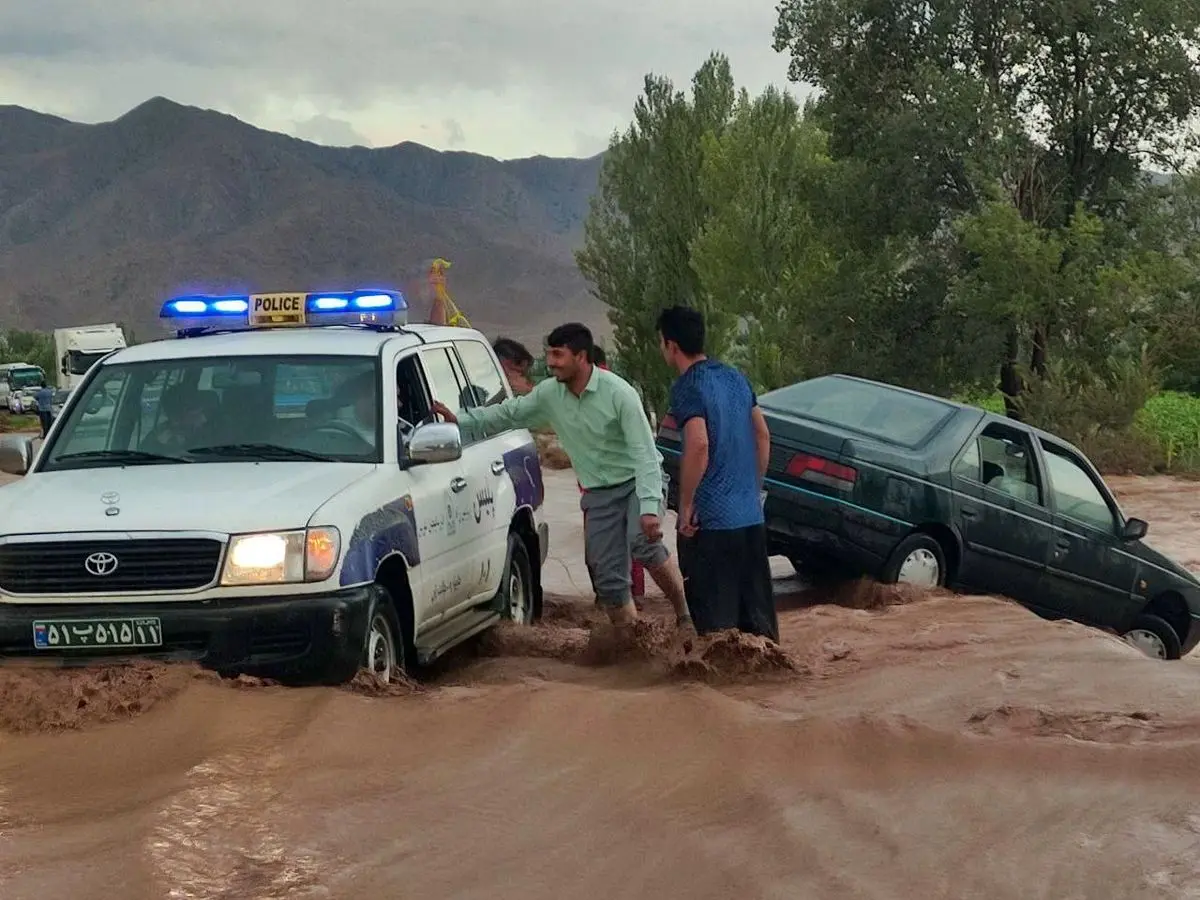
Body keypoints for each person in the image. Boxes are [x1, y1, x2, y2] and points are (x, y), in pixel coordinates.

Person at [432, 322, 692, 633]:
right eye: (549, 354)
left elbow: (645, 455)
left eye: (558, 355)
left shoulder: (619, 393)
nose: (551, 362)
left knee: (643, 544)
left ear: (581, 357)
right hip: (598, 493)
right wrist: (459, 421)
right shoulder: (550, 394)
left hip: (637, 482)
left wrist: (650, 506)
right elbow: (509, 413)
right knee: (607, 577)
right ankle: (631, 640)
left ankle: (685, 616)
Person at [657, 305, 778, 641]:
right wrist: (754, 489)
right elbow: (763, 436)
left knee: (716, 634)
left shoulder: (687, 386)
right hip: (751, 520)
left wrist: (685, 506)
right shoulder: (736, 377)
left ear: (671, 345)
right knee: (758, 629)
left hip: (710, 525)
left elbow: (698, 445)